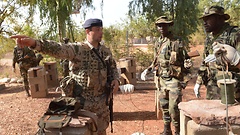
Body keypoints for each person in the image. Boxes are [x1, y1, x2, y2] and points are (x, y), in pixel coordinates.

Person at [11, 18, 120, 135]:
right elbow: (58, 49)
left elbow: (112, 68)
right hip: (82, 107)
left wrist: (116, 79)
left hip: (101, 107)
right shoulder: (78, 49)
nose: (101, 32)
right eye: (98, 30)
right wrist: (34, 43)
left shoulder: (105, 51)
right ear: (88, 31)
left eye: (101, 29)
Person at [141, 16, 192, 135]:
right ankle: (167, 130)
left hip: (174, 79)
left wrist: (186, 76)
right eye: (159, 26)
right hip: (161, 79)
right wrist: (148, 69)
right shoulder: (158, 42)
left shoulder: (177, 41)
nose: (162, 28)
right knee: (164, 106)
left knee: (174, 108)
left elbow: (187, 60)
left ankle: (178, 131)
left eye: (164, 25)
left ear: (169, 26)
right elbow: (155, 59)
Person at [194, 5, 240, 101]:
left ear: (220, 19)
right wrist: (198, 82)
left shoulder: (234, 34)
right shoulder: (209, 38)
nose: (204, 23)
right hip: (212, 88)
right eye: (203, 20)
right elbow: (205, 61)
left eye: (208, 19)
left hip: (232, 89)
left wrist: (233, 57)